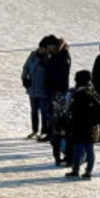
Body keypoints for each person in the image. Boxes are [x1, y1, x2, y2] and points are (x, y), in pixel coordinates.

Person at [66, 70, 100, 179]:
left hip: (79, 126)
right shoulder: (93, 93)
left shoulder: (79, 94)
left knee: (78, 149)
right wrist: (96, 122)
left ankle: (76, 169)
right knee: (89, 149)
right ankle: (88, 171)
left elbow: (73, 110)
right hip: (91, 127)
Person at [44, 36, 72, 166]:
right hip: (54, 91)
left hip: (59, 92)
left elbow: (58, 73)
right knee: (55, 121)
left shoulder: (62, 56)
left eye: (48, 46)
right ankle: (57, 146)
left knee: (60, 123)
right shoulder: (56, 56)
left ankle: (63, 151)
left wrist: (49, 62)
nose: (47, 49)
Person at [22, 39, 49, 139]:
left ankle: (44, 130)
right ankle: (34, 130)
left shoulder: (49, 58)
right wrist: (24, 78)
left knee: (44, 111)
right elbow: (26, 67)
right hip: (32, 88)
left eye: (43, 48)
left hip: (43, 89)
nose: (40, 50)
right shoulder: (33, 55)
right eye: (40, 47)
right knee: (34, 110)